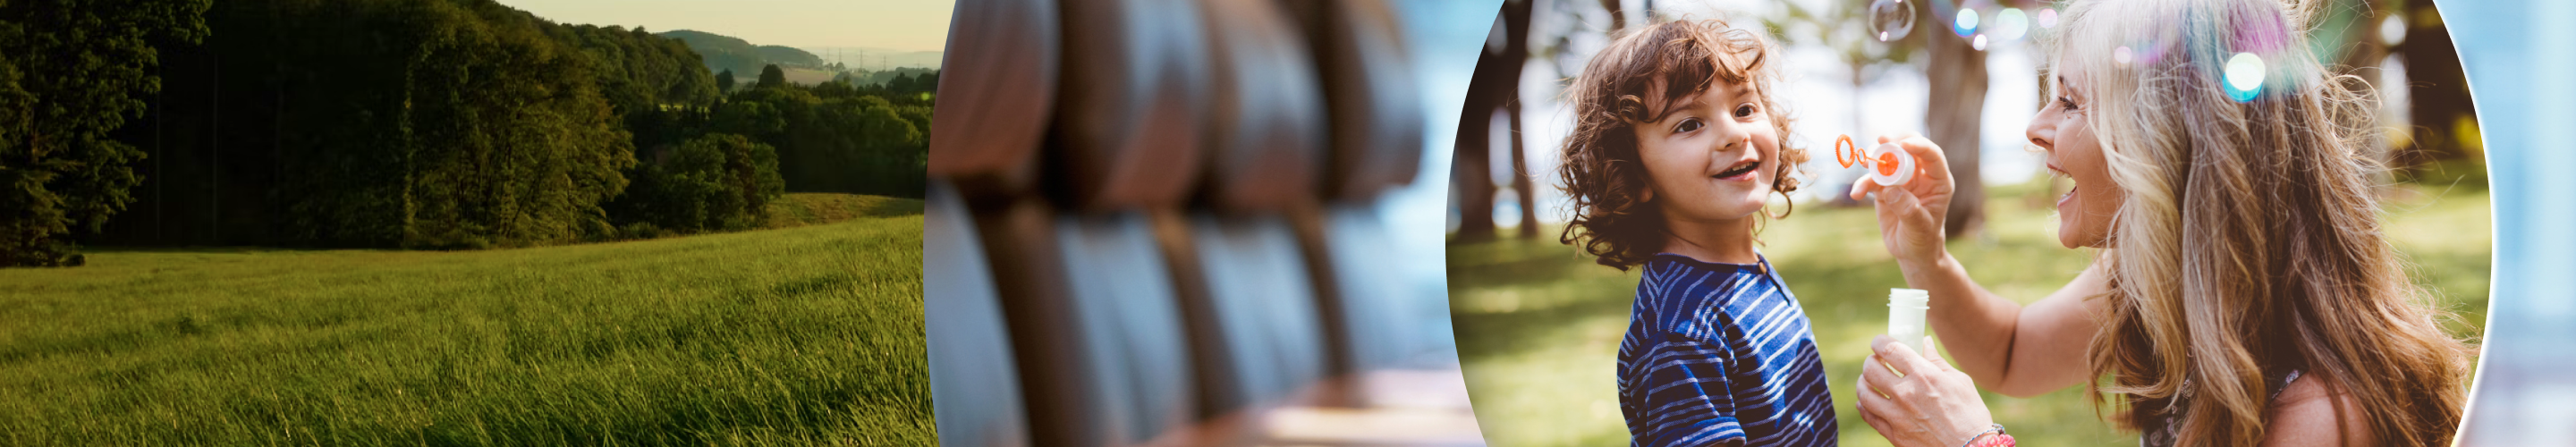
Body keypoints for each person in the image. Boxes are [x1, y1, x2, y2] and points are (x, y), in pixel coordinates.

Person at [1845, 0, 2471, 446]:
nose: (2034, 128)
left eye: (2070, 102)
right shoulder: (2159, 276)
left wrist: (1973, 443)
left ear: (2166, 146)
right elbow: (2012, 354)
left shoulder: (2323, 416)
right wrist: (1926, 255)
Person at [1555, 18, 1832, 446]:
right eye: (1689, 124)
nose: (1733, 134)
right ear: (1634, 174)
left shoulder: (1738, 272)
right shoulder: (1678, 332)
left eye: (1744, 109)